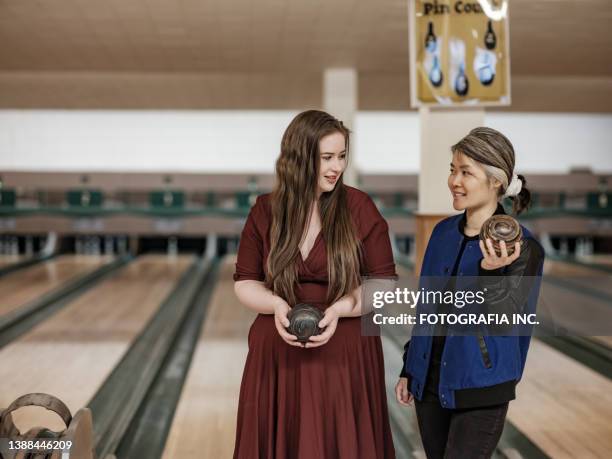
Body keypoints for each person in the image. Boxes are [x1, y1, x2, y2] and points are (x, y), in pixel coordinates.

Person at [233, 110, 396, 458]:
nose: (336, 167)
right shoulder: (265, 210)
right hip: (278, 352)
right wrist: (276, 305)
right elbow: (245, 282)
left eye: (341, 157)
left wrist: (340, 309)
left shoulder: (359, 206)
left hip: (346, 351)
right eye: (326, 158)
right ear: (299, 157)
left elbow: (384, 285)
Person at [395, 127, 544, 458]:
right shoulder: (442, 233)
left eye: (466, 172)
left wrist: (490, 274)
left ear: (496, 182)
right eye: (452, 170)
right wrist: (410, 367)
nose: (454, 181)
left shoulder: (524, 247)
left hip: (481, 387)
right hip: (429, 384)